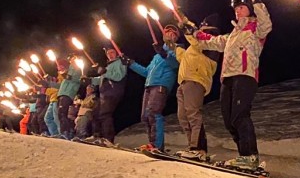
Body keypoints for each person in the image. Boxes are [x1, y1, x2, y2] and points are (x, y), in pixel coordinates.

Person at [196, 0, 272, 170]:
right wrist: (192, 32)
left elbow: (266, 25)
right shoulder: (231, 35)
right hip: (227, 77)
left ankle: (250, 156)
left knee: (240, 115)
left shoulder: (255, 28)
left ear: (249, 8)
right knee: (229, 120)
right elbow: (210, 41)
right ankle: (243, 157)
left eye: (242, 7)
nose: (238, 11)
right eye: (236, 9)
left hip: (245, 75)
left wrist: (257, 1)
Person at [173, 14, 221, 161]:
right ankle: (192, 147)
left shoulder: (211, 36)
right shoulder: (197, 40)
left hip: (196, 79)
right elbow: (184, 58)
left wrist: (187, 26)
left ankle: (199, 149)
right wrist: (174, 47)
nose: (201, 25)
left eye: (203, 23)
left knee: (193, 114)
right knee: (183, 117)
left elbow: (198, 41)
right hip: (185, 81)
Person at [128, 24, 180, 152]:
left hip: (161, 84)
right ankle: (152, 143)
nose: (169, 35)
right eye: (167, 33)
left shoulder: (177, 49)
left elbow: (176, 64)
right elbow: (147, 72)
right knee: (145, 116)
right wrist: (131, 64)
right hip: (149, 85)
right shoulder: (157, 55)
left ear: (176, 37)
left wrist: (164, 54)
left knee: (154, 112)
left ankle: (157, 145)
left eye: (172, 33)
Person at [91, 46, 129, 145]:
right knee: (95, 113)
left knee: (105, 114)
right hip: (104, 93)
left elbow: (118, 76)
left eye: (112, 52)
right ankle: (97, 136)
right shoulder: (109, 66)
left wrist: (104, 71)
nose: (110, 55)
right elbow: (101, 78)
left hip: (113, 92)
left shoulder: (120, 62)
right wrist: (90, 80)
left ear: (116, 53)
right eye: (108, 53)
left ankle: (108, 139)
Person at [56, 56, 83, 140]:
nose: (71, 60)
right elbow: (61, 84)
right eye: (71, 59)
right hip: (62, 93)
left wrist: (68, 76)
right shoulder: (68, 70)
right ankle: (66, 131)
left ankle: (66, 132)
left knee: (62, 113)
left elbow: (78, 79)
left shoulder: (77, 68)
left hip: (68, 93)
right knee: (61, 113)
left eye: (73, 59)